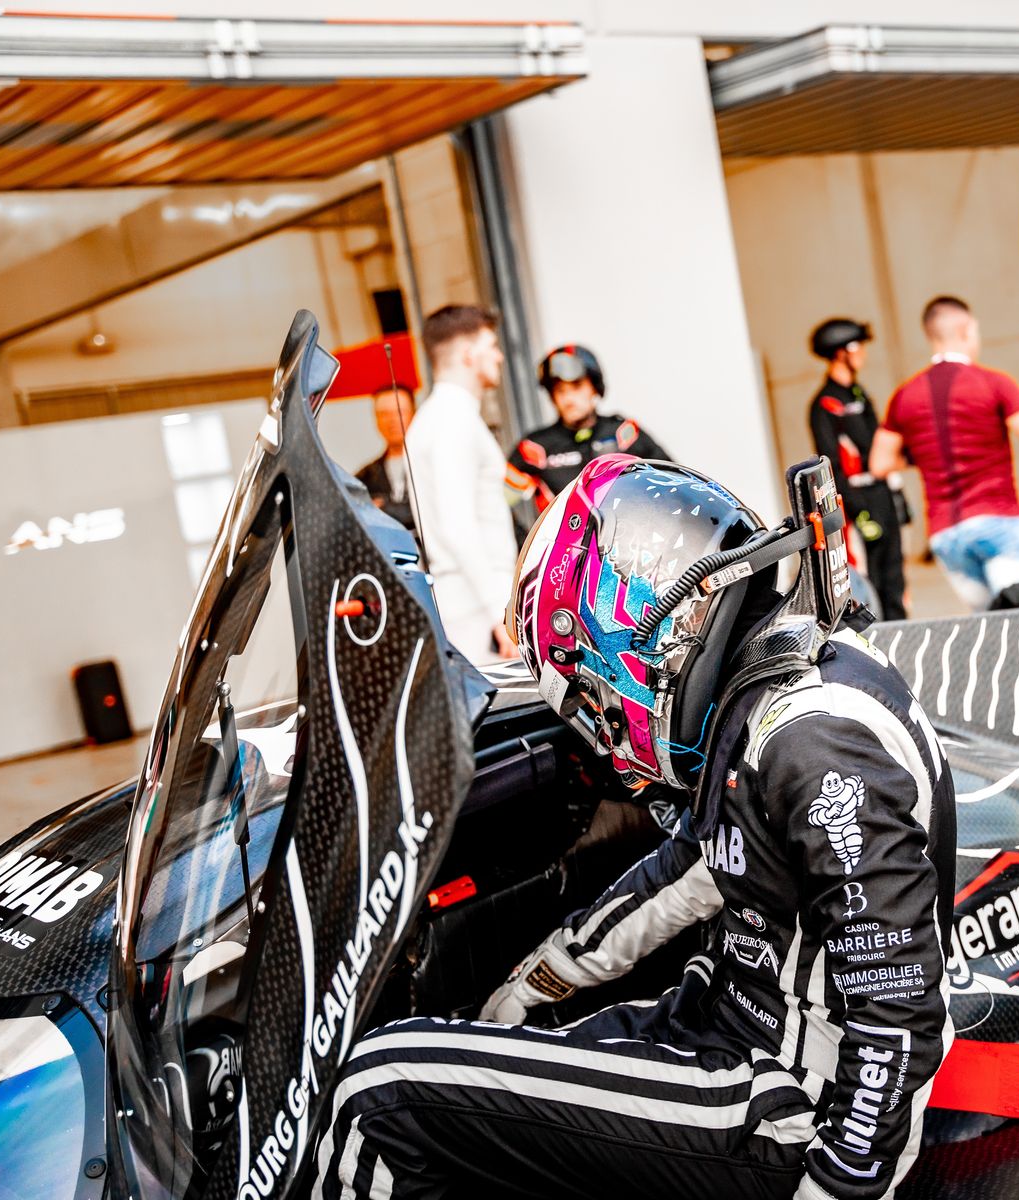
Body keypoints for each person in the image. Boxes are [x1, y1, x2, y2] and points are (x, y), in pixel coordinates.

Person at [316, 454, 955, 1200]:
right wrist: (534, 982)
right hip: (726, 1020)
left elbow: (900, 1016)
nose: (605, 728)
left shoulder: (808, 738)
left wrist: (837, 1188)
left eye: (591, 695)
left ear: (629, 638)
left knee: (377, 1092)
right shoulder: (771, 685)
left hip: (786, 1096)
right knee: (487, 1065)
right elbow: (689, 868)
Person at [869, 296, 1019, 609]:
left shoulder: (904, 396)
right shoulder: (993, 383)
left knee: (991, 627)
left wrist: (926, 454)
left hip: (946, 537)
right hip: (999, 525)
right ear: (966, 329)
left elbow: (880, 463)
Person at [404, 304, 519, 664]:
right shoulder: (452, 421)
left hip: (470, 604)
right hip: (478, 611)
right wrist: (500, 612)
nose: (499, 356)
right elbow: (457, 526)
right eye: (492, 345)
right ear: (469, 354)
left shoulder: (435, 419)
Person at [808, 317, 909, 619]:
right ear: (841, 353)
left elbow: (879, 445)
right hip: (858, 503)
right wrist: (858, 510)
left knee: (895, 576)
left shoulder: (859, 394)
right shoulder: (824, 404)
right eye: (857, 347)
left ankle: (902, 630)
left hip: (882, 493)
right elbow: (830, 465)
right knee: (870, 578)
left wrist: (898, 494)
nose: (863, 353)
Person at [505, 344, 672, 524]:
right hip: (566, 541)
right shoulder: (535, 449)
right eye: (560, 390)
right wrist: (523, 539)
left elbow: (674, 484)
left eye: (576, 386)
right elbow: (495, 501)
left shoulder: (624, 434)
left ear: (594, 387)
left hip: (628, 537)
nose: (568, 399)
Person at [355, 384, 416, 530]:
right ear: (376, 419)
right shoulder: (365, 476)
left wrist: (385, 507)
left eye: (399, 412)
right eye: (384, 414)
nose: (392, 420)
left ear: (414, 413)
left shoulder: (433, 464)